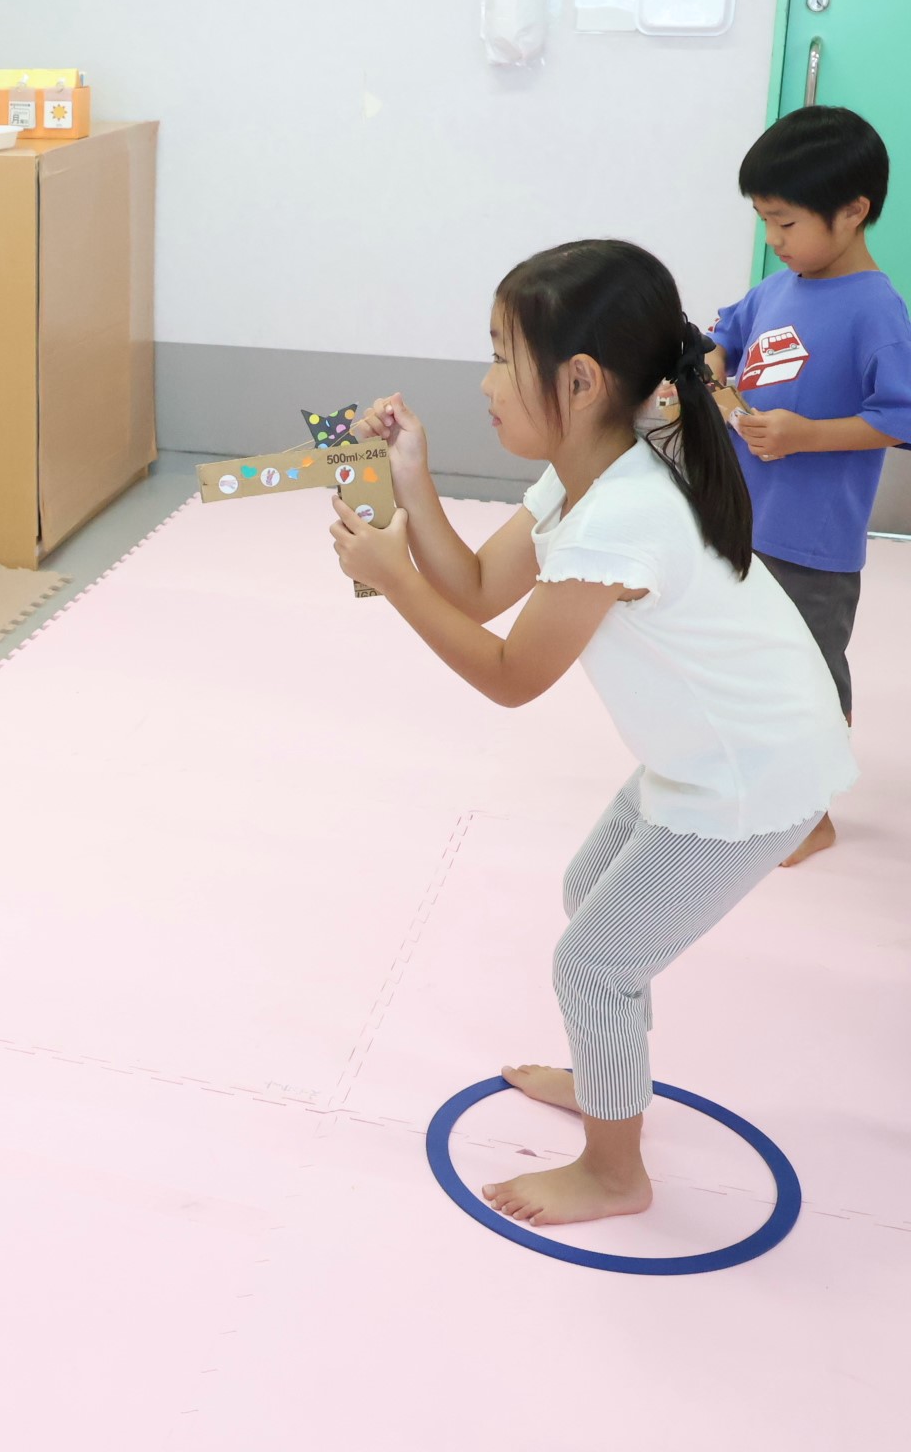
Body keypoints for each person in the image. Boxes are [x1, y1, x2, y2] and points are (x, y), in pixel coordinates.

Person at [331, 240, 855, 1227]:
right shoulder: (589, 471)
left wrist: (393, 579)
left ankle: (616, 1172)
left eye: (502, 356)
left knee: (593, 962)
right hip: (706, 756)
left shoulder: (625, 513)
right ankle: (607, 1071)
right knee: (590, 896)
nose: (486, 382)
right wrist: (410, 474)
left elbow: (510, 676)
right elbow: (477, 588)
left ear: (578, 380)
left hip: (751, 775)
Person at [706, 105, 911, 865]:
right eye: (764, 220)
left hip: (813, 540)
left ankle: (809, 814)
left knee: (809, 677)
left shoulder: (878, 311)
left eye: (785, 222)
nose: (773, 239)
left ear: (853, 212)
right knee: (746, 664)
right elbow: (721, 340)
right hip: (743, 521)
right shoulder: (777, 287)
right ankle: (760, 791)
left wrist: (805, 435)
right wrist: (717, 375)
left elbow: (898, 415)